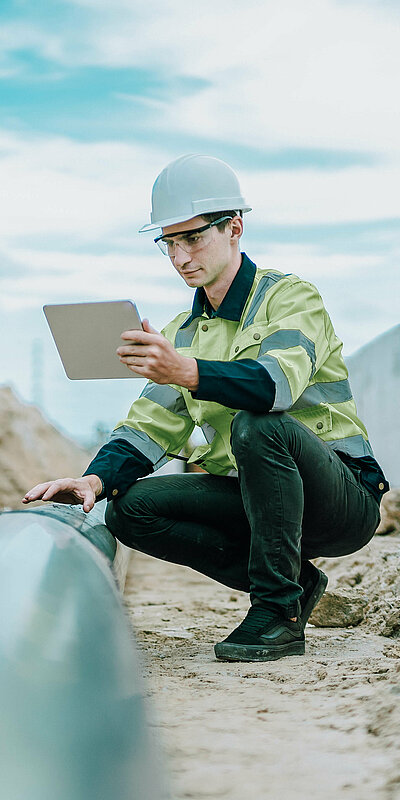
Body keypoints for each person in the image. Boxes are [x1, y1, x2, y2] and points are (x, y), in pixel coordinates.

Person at [23, 154, 389, 662]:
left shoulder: (291, 298)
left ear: (234, 228)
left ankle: (276, 612)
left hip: (338, 499)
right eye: (168, 243)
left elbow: (274, 387)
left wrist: (187, 372)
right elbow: (149, 427)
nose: (179, 257)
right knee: (131, 509)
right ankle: (298, 583)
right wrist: (94, 481)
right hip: (257, 500)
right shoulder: (183, 333)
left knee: (261, 425)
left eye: (192, 238)